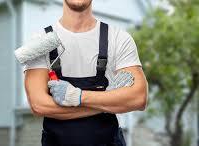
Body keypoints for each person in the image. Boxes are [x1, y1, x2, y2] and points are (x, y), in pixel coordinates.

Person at [23, 0, 149, 145]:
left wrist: (77, 96)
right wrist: (107, 102)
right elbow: (38, 105)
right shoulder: (39, 41)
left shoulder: (118, 38)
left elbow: (139, 98)